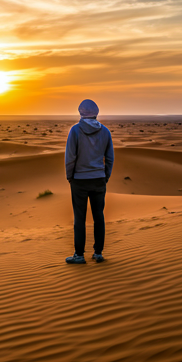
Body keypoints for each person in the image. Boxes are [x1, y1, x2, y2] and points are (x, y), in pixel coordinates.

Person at [64, 99, 114, 264]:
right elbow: (110, 158)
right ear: (96, 113)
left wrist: (70, 176)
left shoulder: (75, 131)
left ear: (80, 113)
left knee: (80, 218)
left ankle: (79, 255)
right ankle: (98, 253)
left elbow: (70, 158)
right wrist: (104, 177)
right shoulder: (105, 131)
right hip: (98, 179)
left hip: (79, 180)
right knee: (98, 216)